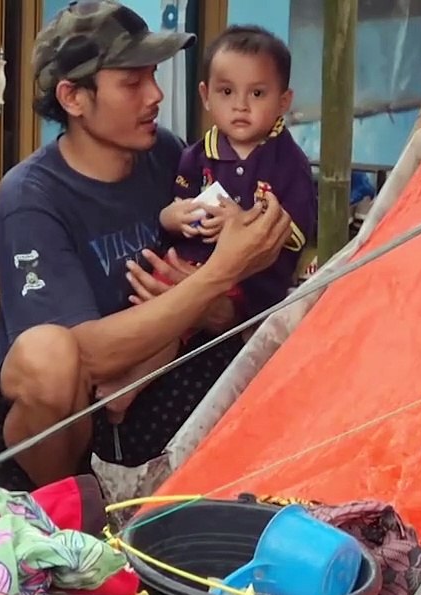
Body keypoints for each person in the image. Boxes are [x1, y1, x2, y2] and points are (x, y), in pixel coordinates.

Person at [0, 0, 294, 492]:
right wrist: (215, 276)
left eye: (153, 76)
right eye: (132, 82)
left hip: (151, 396)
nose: (156, 95)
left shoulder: (166, 154)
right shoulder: (30, 197)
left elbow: (222, 307)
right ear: (74, 97)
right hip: (63, 428)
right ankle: (66, 514)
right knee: (47, 355)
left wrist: (214, 293)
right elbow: (83, 358)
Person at [93, 25, 317, 419]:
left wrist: (243, 221)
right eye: (226, 92)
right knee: (153, 300)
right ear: (206, 96)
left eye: (257, 94)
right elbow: (178, 204)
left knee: (180, 309)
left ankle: (130, 386)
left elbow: (298, 232)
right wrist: (172, 216)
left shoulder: (288, 162)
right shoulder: (197, 155)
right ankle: (118, 372)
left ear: (283, 101)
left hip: (248, 281)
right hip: (191, 262)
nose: (241, 106)